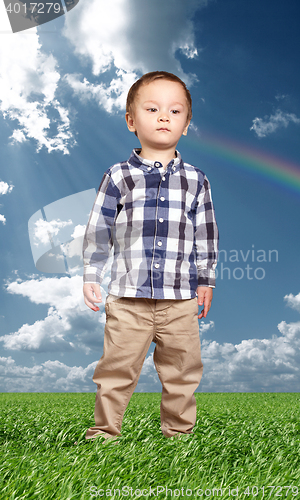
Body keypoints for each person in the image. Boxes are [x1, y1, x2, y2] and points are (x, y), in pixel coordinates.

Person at [82, 71, 219, 441]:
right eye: (153, 108)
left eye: (175, 111)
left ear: (186, 124)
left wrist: (206, 279)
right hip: (128, 298)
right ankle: (104, 432)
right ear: (131, 120)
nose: (163, 117)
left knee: (183, 370)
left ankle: (179, 434)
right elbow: (99, 228)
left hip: (179, 299)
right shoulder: (118, 176)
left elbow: (206, 234)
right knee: (116, 369)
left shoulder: (196, 180)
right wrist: (91, 274)